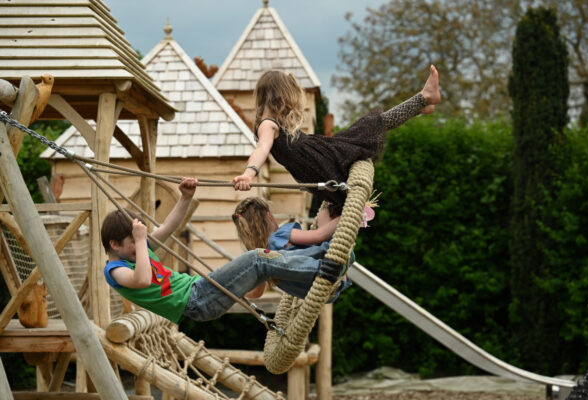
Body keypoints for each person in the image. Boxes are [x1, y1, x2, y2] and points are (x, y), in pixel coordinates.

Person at [101, 178, 344, 324]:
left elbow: (168, 226)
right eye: (131, 242)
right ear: (114, 244)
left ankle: (323, 278)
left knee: (264, 267)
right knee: (257, 259)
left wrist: (185, 198)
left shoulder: (137, 251)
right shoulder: (115, 270)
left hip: (202, 290)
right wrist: (141, 240)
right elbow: (142, 280)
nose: (138, 246)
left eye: (137, 241)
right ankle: (322, 269)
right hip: (197, 300)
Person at [233, 65, 441, 217]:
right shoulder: (267, 124)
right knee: (371, 125)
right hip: (324, 162)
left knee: (369, 125)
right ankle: (422, 100)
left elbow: (264, 148)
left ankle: (421, 102)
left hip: (323, 159)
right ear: (283, 96)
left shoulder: (272, 123)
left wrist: (248, 173)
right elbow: (261, 149)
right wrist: (249, 173)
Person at [232, 197, 352, 302]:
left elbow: (257, 293)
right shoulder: (280, 235)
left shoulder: (261, 262)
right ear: (269, 216)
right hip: (332, 265)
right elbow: (319, 235)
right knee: (324, 215)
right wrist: (347, 216)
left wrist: (239, 293)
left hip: (325, 294)